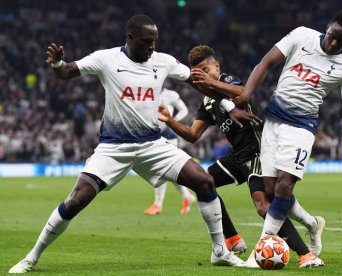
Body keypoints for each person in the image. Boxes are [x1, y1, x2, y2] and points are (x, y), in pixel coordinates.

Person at [8, 14, 245, 274]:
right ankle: (31, 257)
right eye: (146, 42)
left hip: (152, 144)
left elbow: (199, 82)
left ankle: (220, 251)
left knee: (204, 181)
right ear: (130, 38)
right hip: (114, 147)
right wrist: (57, 64)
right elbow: (66, 72)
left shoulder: (163, 61)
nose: (152, 47)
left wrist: (228, 105)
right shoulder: (106, 59)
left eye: (154, 41)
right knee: (76, 201)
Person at [233, 10, 342, 249]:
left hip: (302, 126)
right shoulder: (301, 35)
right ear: (327, 28)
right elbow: (266, 63)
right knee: (272, 191)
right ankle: (312, 224)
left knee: (285, 185)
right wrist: (246, 93)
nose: (334, 43)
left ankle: (262, 248)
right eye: (333, 36)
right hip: (273, 121)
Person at [162, 44, 324, 267]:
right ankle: (233, 240)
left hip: (259, 150)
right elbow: (192, 135)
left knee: (264, 206)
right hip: (238, 155)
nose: (203, 76)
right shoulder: (208, 102)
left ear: (216, 66)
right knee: (202, 183)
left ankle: (307, 255)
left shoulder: (229, 82)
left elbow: (243, 92)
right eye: (198, 73)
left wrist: (211, 83)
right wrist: (170, 121)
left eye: (206, 70)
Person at [143, 85, 196, 216]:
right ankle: (187, 197)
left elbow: (184, 110)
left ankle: (158, 204)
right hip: (154, 136)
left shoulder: (170, 94)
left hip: (169, 137)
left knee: (160, 170)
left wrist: (173, 121)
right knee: (171, 173)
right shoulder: (145, 93)